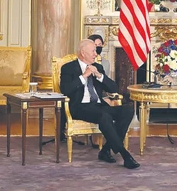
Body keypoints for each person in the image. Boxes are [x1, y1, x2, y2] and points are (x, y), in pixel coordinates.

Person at [59, 39, 139, 169]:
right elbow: (65, 90)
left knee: (127, 110)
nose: (96, 54)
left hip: (98, 106)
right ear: (83, 53)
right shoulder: (68, 68)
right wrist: (84, 76)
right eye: (93, 51)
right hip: (79, 107)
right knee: (104, 115)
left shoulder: (98, 67)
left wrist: (99, 75)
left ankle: (105, 150)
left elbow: (114, 88)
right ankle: (125, 154)